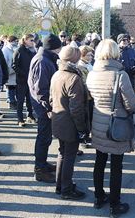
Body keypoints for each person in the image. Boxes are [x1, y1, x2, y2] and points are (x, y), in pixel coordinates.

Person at [86, 39, 135, 217]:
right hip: (116, 125)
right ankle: (115, 205)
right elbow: (131, 104)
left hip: (99, 124)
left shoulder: (91, 74)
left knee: (99, 161)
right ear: (116, 53)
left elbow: (91, 98)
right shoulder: (120, 75)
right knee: (116, 165)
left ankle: (99, 198)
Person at [50, 46, 89, 200]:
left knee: (62, 154)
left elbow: (51, 99)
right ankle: (66, 189)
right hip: (70, 124)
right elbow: (76, 109)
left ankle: (60, 186)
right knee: (69, 157)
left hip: (58, 121)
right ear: (74, 59)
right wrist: (82, 129)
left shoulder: (57, 74)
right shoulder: (74, 78)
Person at [28, 34, 62, 183]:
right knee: (43, 137)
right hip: (43, 107)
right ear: (55, 47)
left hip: (44, 105)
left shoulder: (46, 58)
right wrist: (48, 107)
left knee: (46, 137)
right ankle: (39, 169)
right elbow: (40, 89)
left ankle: (43, 164)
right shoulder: (42, 60)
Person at [12, 34, 37, 127]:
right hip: (21, 80)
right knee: (20, 100)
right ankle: (20, 119)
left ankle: (30, 116)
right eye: (31, 40)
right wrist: (24, 74)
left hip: (30, 80)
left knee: (30, 99)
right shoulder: (18, 50)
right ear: (25, 40)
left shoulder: (31, 51)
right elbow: (14, 65)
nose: (33, 42)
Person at [2, 35, 18, 110]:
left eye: (16, 41)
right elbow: (4, 61)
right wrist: (8, 70)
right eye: (14, 41)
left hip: (16, 71)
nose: (15, 42)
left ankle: (14, 101)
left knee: (15, 88)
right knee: (10, 88)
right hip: (9, 70)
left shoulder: (17, 48)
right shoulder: (5, 49)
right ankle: (11, 102)